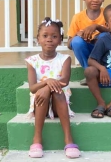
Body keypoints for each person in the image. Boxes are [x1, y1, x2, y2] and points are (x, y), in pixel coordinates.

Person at [26, 17, 80, 159]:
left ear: (60, 40)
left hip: (59, 103)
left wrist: (48, 87)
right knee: (42, 93)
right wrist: (47, 82)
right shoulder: (32, 61)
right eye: (45, 36)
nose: (49, 39)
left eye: (54, 36)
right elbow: (32, 88)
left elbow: (64, 80)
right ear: (38, 39)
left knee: (57, 92)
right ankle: (37, 139)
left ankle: (68, 139)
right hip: (40, 103)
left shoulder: (65, 59)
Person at [67, 0, 109, 85]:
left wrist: (96, 27)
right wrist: (78, 35)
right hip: (87, 52)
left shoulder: (107, 14)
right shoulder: (77, 17)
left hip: (104, 54)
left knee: (104, 36)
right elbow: (69, 43)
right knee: (76, 41)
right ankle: (90, 73)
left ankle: (102, 71)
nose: (95, 0)